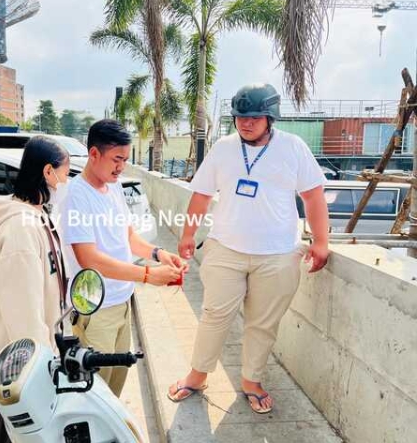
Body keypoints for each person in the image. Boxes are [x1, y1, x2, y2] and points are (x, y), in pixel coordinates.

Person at [167, 84, 330, 414]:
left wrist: (322, 242)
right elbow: (200, 194)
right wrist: (188, 235)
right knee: (215, 315)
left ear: (270, 117)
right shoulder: (224, 148)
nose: (246, 123)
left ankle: (251, 381)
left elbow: (313, 197)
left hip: (279, 254)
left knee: (262, 323)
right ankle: (197, 375)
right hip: (226, 248)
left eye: (255, 117)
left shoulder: (293, 147)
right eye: (241, 116)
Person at [60, 119, 186, 397]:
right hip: (96, 308)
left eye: (125, 160)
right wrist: (148, 276)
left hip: (121, 302)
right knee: (94, 390)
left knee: (116, 381)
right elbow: (89, 259)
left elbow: (127, 237)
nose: (121, 167)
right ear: (94, 154)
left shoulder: (113, 186)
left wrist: (159, 254)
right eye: (116, 159)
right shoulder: (76, 197)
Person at [0, 136, 70, 443]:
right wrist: (44, 376)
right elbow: (25, 321)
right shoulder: (21, 230)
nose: (65, 182)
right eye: (65, 173)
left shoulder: (38, 217)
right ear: (48, 173)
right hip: (25, 379)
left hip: (37, 371)